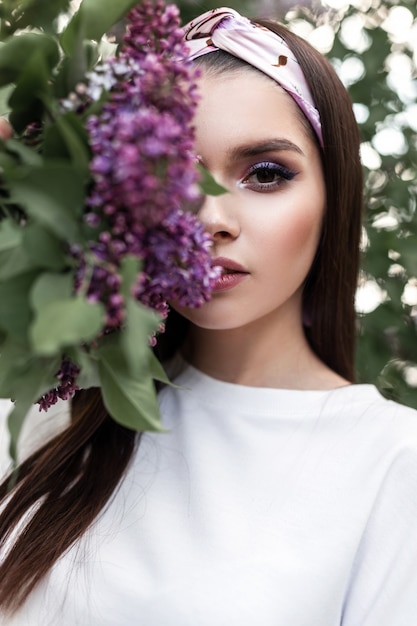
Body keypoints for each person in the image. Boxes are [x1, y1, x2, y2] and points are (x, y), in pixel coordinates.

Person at [1, 6, 417, 625]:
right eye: (175, 176)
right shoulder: (59, 413)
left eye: (266, 174)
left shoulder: (392, 462)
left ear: (334, 194)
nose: (212, 219)